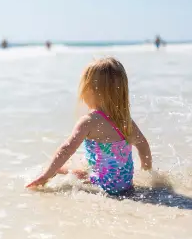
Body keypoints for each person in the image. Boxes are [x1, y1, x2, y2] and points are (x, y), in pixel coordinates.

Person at [26, 57, 152, 195]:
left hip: (102, 186)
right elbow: (143, 146)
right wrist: (147, 172)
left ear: (89, 90)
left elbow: (66, 149)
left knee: (59, 169)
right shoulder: (126, 121)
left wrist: (46, 175)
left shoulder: (89, 121)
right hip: (125, 185)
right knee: (85, 163)